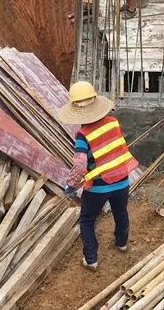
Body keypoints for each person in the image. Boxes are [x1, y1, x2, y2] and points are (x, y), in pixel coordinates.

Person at [58, 80, 139, 271]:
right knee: (121, 212)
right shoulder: (113, 122)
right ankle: (122, 243)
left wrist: (70, 185)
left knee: (87, 220)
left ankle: (91, 259)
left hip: (97, 188)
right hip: (121, 181)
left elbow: (79, 166)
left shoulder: (83, 134)